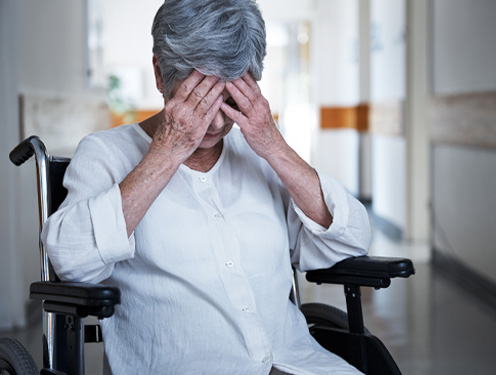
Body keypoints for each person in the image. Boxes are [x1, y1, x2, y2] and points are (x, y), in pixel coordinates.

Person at [42, 0, 372, 374]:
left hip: (296, 363)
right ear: (159, 74)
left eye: (230, 101)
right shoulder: (105, 154)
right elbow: (70, 260)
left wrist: (274, 146)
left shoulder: (258, 153)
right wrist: (167, 152)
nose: (215, 123)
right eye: (199, 101)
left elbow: (352, 236)